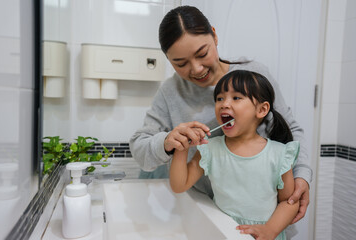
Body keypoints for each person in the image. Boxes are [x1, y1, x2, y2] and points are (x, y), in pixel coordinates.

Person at [129, 5, 312, 226]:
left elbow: (290, 129)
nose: (196, 69)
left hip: (266, 220)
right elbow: (140, 147)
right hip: (207, 215)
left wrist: (301, 175)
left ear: (214, 35)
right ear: (169, 61)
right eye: (181, 63)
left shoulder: (255, 75)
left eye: (202, 54)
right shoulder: (170, 92)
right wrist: (167, 142)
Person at [170, 69, 300, 240]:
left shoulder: (279, 154)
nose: (224, 104)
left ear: (262, 109)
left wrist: (270, 230)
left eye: (236, 98)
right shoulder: (210, 150)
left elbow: (289, 202)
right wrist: (181, 149)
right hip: (223, 232)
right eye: (219, 99)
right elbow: (179, 185)